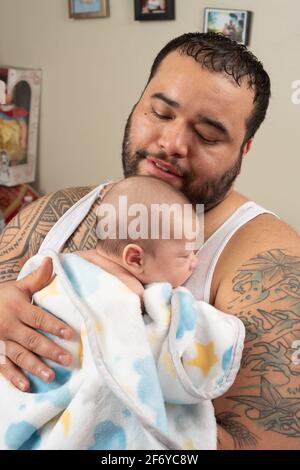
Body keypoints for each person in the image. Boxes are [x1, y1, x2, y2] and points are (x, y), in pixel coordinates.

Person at [0, 32, 299, 450]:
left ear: (243, 150)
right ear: (137, 106)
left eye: (209, 135)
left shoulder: (269, 265)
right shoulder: (56, 214)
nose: (172, 144)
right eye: (160, 112)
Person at [0, 176, 244, 450]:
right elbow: (156, 349)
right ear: (135, 259)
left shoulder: (55, 266)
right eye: (185, 255)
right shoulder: (132, 294)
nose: (194, 263)